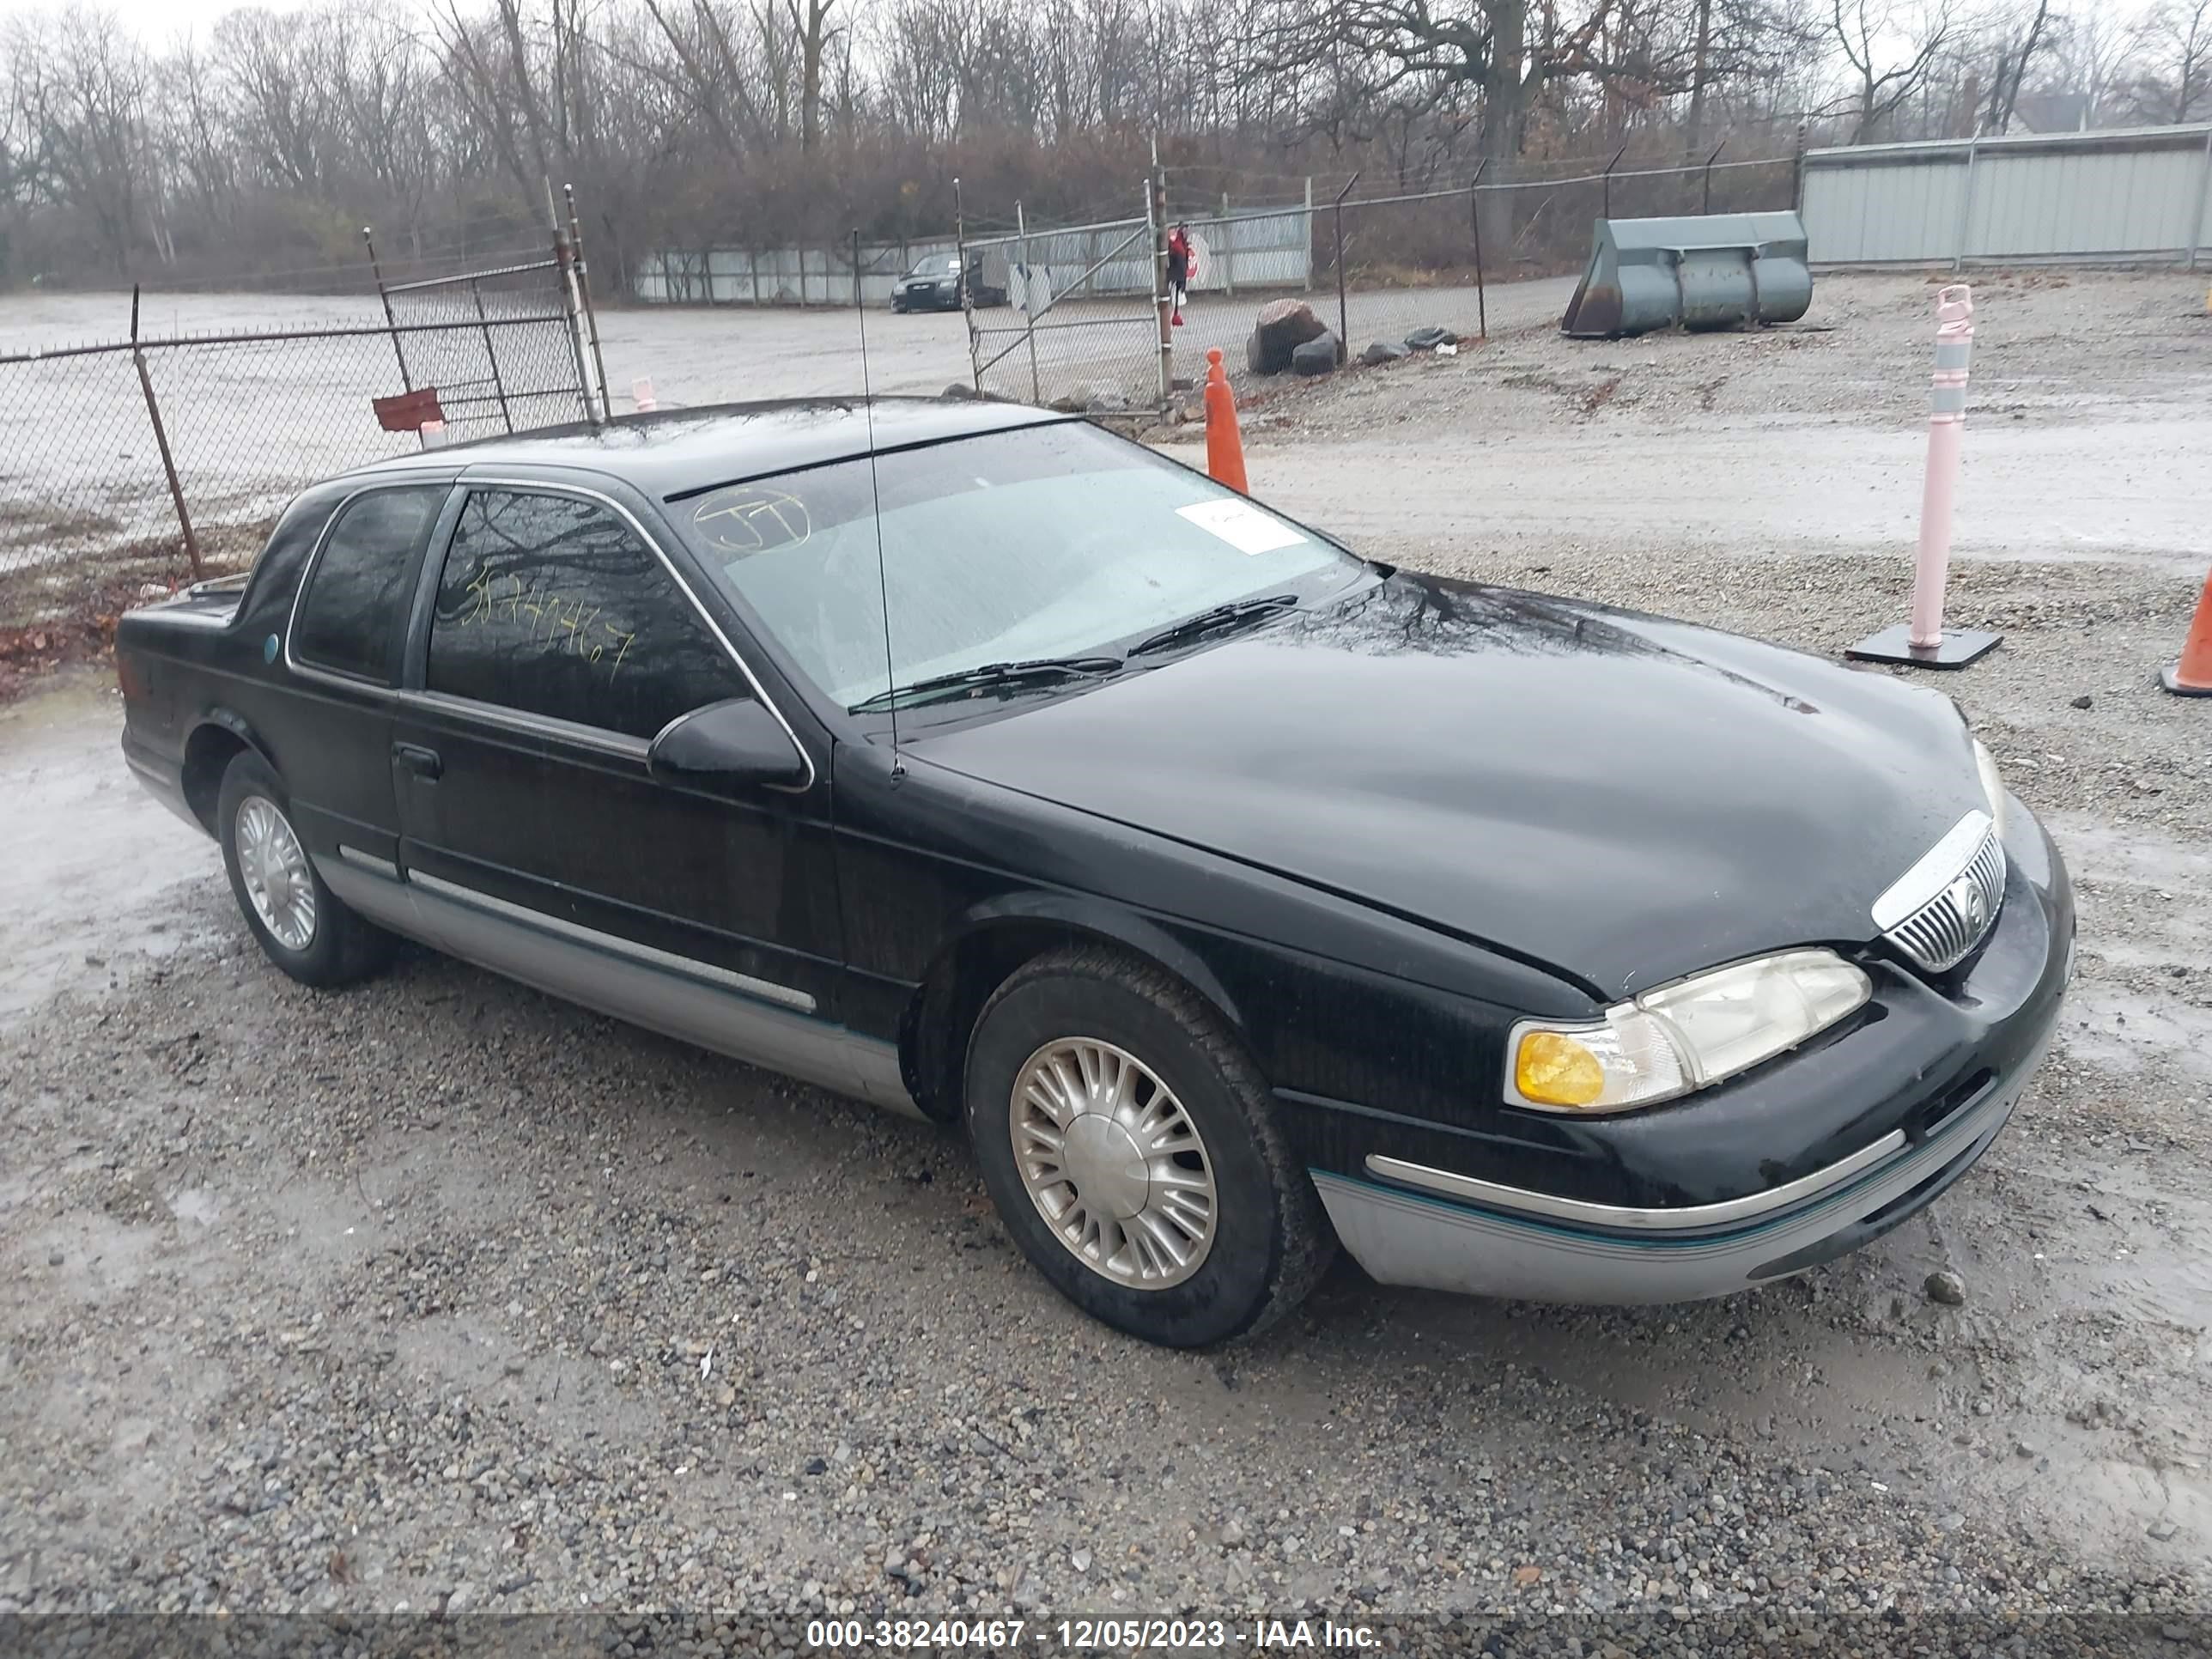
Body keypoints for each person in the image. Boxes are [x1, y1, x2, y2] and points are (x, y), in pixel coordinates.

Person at [1166, 222, 1194, 327]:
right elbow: (1175, 253)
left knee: (1177, 296)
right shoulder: (1176, 244)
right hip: (1176, 273)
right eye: (1185, 229)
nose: (1187, 232)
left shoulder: (1182, 243)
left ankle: (1175, 315)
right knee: (1174, 295)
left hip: (1180, 273)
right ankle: (1172, 316)